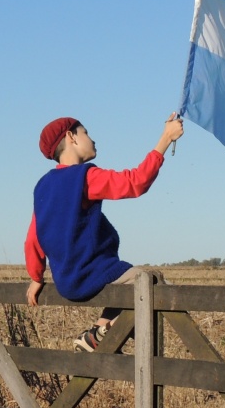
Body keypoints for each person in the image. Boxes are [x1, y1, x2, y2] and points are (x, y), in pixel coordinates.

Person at [25, 113, 184, 351]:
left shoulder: (43, 186)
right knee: (156, 286)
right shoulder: (85, 177)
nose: (92, 139)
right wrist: (165, 139)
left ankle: (97, 332)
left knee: (128, 287)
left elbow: (33, 239)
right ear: (71, 137)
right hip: (93, 273)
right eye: (86, 132)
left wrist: (37, 277)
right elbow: (136, 181)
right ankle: (106, 335)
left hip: (66, 281)